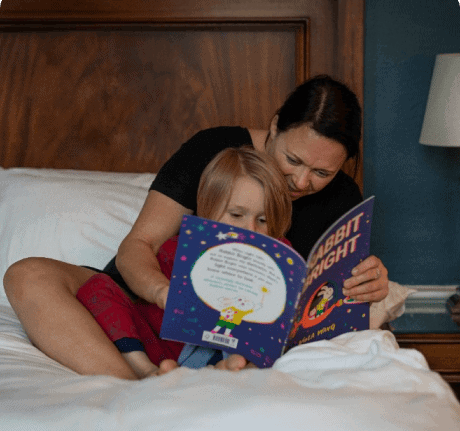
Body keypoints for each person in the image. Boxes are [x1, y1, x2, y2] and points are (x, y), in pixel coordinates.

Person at [4, 75, 389, 380]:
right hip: (153, 302)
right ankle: (137, 387)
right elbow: (139, 244)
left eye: (322, 172)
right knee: (27, 275)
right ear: (274, 126)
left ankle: (180, 384)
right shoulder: (214, 150)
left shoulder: (341, 199)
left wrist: (369, 283)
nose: (301, 183)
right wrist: (162, 292)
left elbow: (327, 298)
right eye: (293, 160)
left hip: (242, 328)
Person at [74, 146, 293, 378]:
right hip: (165, 348)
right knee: (97, 287)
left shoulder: (280, 254)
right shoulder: (178, 249)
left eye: (263, 220)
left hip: (235, 347)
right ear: (208, 209)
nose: (250, 229)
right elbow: (150, 307)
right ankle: (145, 369)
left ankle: (226, 369)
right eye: (236, 215)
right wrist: (165, 293)